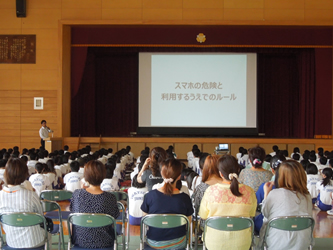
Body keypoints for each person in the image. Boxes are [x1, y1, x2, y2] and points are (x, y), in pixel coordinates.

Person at [199, 155, 257, 250]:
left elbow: (203, 216)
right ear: (238, 170)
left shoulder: (211, 191)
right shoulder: (249, 191)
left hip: (214, 243)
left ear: (220, 174)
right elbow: (251, 215)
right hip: (242, 243)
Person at [258, 160, 313, 250]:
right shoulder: (307, 196)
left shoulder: (274, 193)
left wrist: (266, 195)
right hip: (302, 244)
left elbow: (265, 213)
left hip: (276, 243)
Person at [141, 158, 193, 249]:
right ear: (179, 176)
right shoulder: (185, 198)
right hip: (178, 243)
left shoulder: (149, 196)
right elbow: (188, 223)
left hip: (154, 242)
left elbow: (145, 220)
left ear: (162, 173)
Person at [0, 158, 50, 248]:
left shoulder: (0, 195)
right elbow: (40, 217)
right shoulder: (30, 195)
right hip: (34, 241)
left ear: (6, 173)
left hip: (12, 242)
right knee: (49, 234)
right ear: (24, 174)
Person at [70, 160, 119, 248]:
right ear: (103, 175)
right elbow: (114, 216)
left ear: (86, 177)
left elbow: (73, 212)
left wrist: (81, 190)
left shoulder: (77, 194)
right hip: (104, 242)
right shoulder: (110, 198)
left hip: (80, 241)